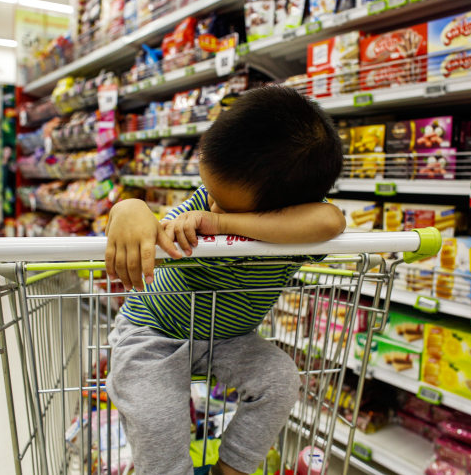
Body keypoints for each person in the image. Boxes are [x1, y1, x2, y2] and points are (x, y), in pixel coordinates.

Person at [104, 85, 345, 475]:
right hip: (153, 331)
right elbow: (151, 228)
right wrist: (129, 208)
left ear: (283, 208)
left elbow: (332, 221)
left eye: (222, 202)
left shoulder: (295, 230)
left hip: (231, 338)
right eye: (209, 194)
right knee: (158, 417)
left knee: (281, 380)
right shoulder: (200, 204)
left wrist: (224, 223)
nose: (208, 205)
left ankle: (229, 470)